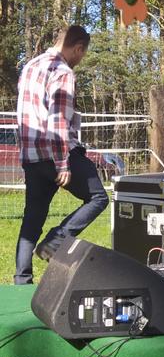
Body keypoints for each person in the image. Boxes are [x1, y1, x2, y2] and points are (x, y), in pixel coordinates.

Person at [14, 25, 109, 285]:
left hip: (31, 155)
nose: (81, 59)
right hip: (56, 153)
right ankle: (55, 241)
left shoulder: (30, 66)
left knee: (33, 216)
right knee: (98, 197)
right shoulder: (63, 72)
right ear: (77, 48)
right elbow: (57, 121)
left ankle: (22, 279)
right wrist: (62, 163)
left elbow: (24, 113)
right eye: (82, 54)